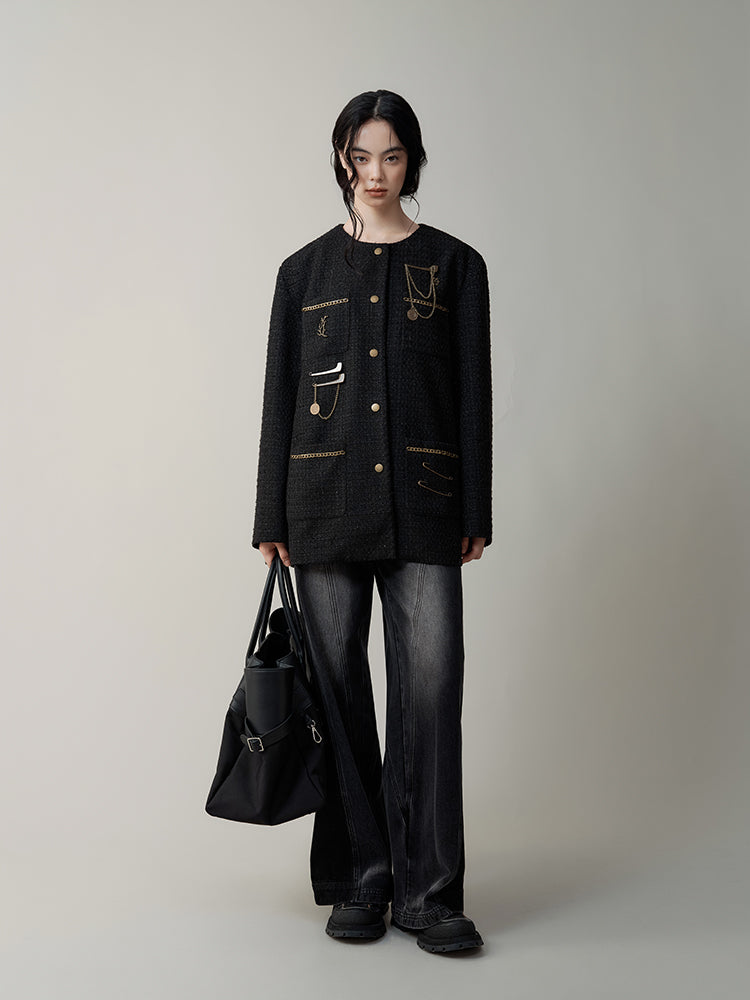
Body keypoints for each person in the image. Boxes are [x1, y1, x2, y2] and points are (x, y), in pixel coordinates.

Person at [252, 90, 492, 954]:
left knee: (430, 691)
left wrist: (475, 508)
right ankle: (362, 878)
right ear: (341, 161)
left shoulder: (457, 267)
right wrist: (269, 516)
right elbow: (280, 398)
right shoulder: (302, 273)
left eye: (392, 156)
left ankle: (429, 893)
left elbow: (473, 396)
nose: (376, 173)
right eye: (361, 156)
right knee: (340, 695)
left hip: (426, 506)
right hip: (321, 507)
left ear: (412, 161)